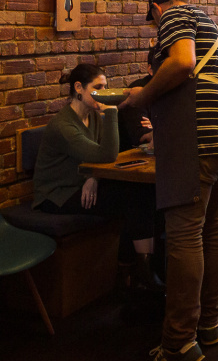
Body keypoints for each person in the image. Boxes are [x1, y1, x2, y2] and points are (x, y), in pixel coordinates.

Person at [121, 0, 218, 361]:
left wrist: (143, 95)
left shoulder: (174, 15)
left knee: (185, 235)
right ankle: (208, 324)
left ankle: (178, 341)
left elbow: (183, 62)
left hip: (195, 134)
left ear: (156, 8)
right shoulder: (211, 25)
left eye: (152, 19)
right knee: (214, 227)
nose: (155, 25)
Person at [33, 63, 160, 290]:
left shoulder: (93, 117)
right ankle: (140, 273)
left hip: (82, 184)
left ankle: (139, 269)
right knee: (135, 198)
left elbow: (104, 156)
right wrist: (111, 110)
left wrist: (93, 178)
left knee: (143, 192)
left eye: (105, 88)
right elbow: (107, 154)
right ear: (78, 88)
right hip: (56, 195)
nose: (103, 93)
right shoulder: (63, 125)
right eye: (98, 87)